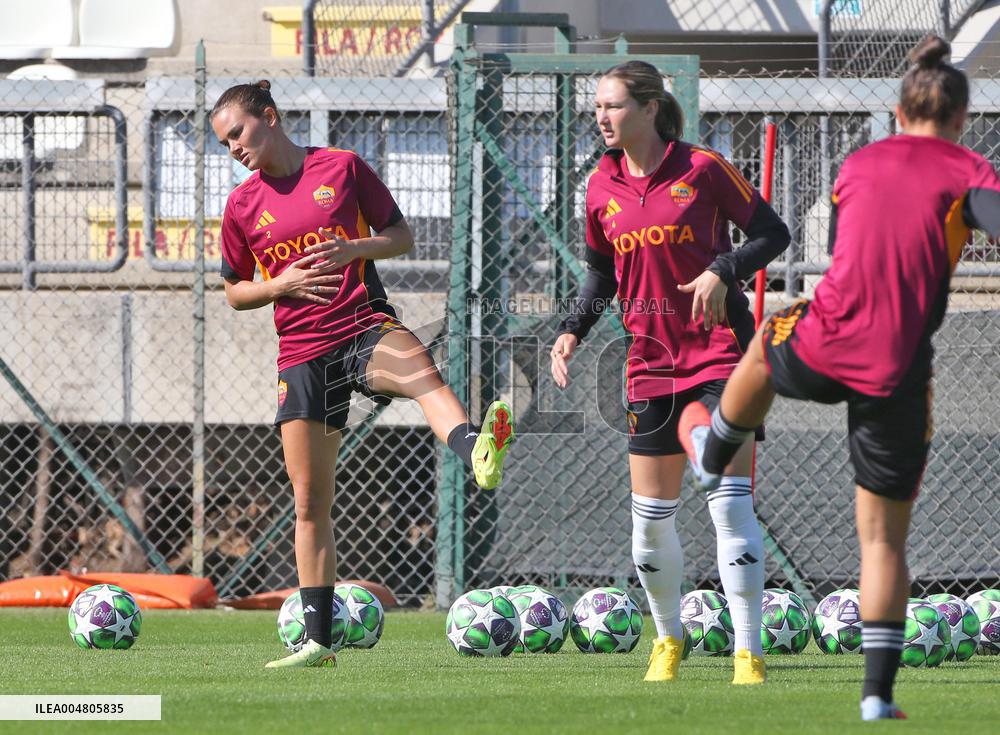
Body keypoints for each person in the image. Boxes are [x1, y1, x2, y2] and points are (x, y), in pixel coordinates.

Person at [679, 35, 1000, 719]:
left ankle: (714, 453)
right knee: (882, 540)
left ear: (898, 106)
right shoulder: (970, 170)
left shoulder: (859, 162)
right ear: (964, 119)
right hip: (896, 368)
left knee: (764, 341)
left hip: (824, 337)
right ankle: (877, 696)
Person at [211, 80, 515, 669]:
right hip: (301, 355)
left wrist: (355, 249)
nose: (234, 150)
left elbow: (400, 236)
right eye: (225, 143)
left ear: (269, 117)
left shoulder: (343, 168)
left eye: (239, 134)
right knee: (309, 503)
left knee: (424, 376)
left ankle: (478, 450)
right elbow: (233, 291)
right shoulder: (242, 206)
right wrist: (281, 285)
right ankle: (318, 641)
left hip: (361, 326)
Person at [550, 61, 790, 684]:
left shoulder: (702, 169)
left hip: (719, 354)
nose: (602, 117)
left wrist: (724, 269)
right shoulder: (599, 187)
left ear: (651, 108)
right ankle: (668, 641)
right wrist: (572, 328)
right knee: (648, 526)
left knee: (727, 507)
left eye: (614, 105)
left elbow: (772, 232)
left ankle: (747, 651)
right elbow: (601, 273)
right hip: (648, 363)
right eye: (597, 107)